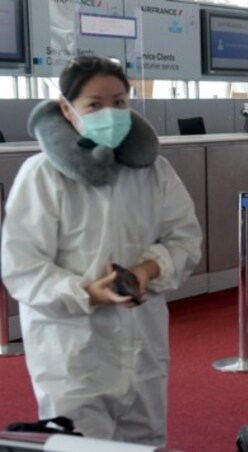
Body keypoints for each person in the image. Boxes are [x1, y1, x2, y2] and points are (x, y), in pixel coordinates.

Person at [1, 56, 203, 446]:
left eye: (120, 102)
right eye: (94, 105)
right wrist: (86, 292)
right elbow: (22, 266)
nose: (109, 113)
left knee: (144, 441)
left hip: (142, 341)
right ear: (67, 108)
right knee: (82, 444)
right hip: (72, 349)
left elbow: (184, 238)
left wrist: (147, 270)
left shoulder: (153, 171)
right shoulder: (42, 175)